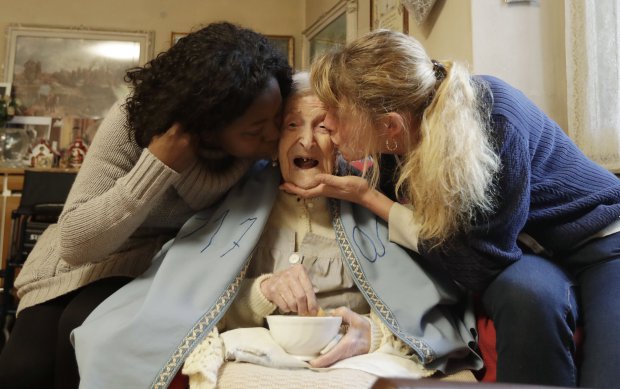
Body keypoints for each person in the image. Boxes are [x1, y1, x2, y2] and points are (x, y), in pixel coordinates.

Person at [72, 72, 482, 388]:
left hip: (352, 362)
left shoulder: (371, 200)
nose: (306, 139)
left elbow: (426, 312)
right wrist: (262, 292)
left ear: (341, 139)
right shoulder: (237, 202)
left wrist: (372, 334)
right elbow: (190, 304)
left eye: (323, 126)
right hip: (259, 360)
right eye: (291, 126)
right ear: (273, 138)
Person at [280, 30, 620, 389]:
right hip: (531, 250)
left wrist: (369, 198)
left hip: (602, 242)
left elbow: (479, 264)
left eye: (334, 113)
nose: (326, 125)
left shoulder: (491, 122)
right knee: (527, 294)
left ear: (389, 125)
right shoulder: (398, 140)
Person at [0, 21, 292, 389]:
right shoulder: (132, 123)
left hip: (161, 272)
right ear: (207, 125)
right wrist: (157, 166)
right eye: (255, 130)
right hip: (81, 262)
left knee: (81, 337)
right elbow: (76, 244)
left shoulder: (263, 143)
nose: (273, 134)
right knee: (21, 370)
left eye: (278, 120)